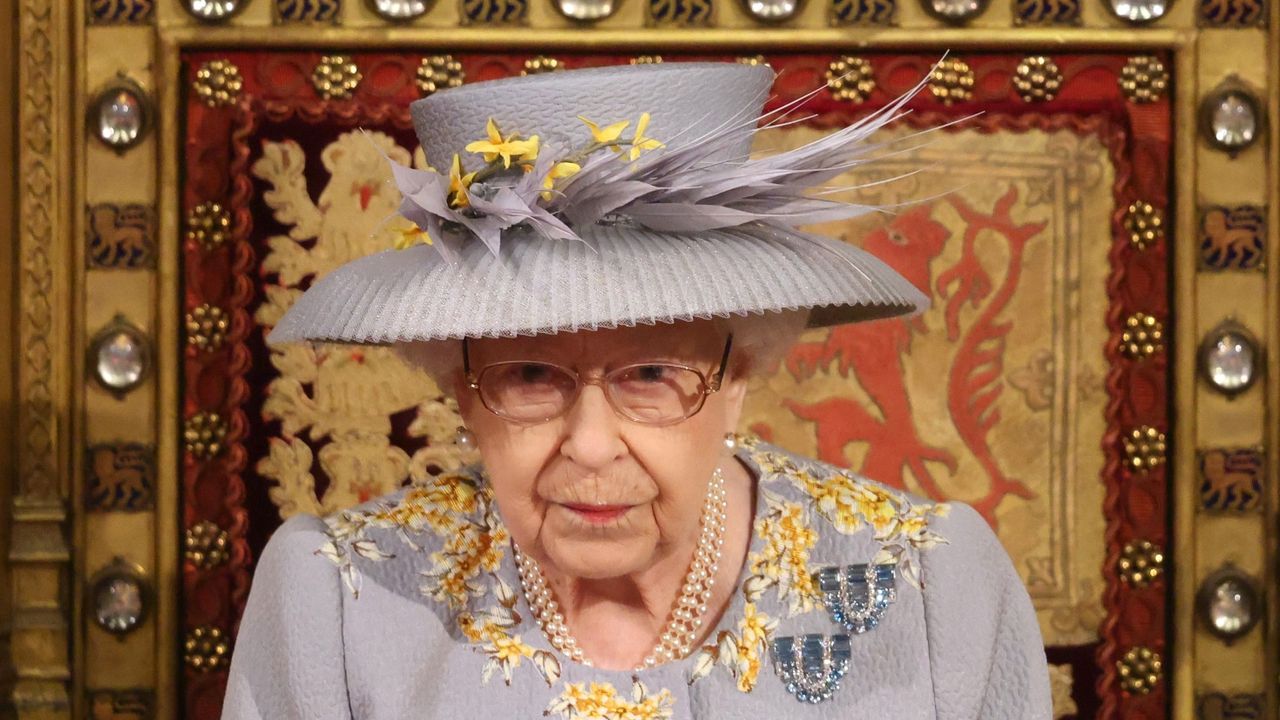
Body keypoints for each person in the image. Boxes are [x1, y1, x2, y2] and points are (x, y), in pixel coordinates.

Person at [222, 61, 1051, 719]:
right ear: (462, 392)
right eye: (530, 376)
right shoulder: (337, 605)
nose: (589, 444)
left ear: (739, 375)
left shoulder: (932, 590)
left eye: (651, 375)